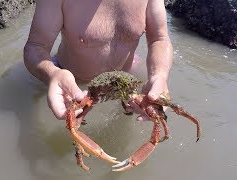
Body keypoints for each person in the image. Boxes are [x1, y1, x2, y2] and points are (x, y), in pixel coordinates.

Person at [24, 0, 173, 120]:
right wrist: (52, 74)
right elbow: (35, 46)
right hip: (72, 88)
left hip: (125, 84)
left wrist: (159, 75)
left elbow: (159, 39)